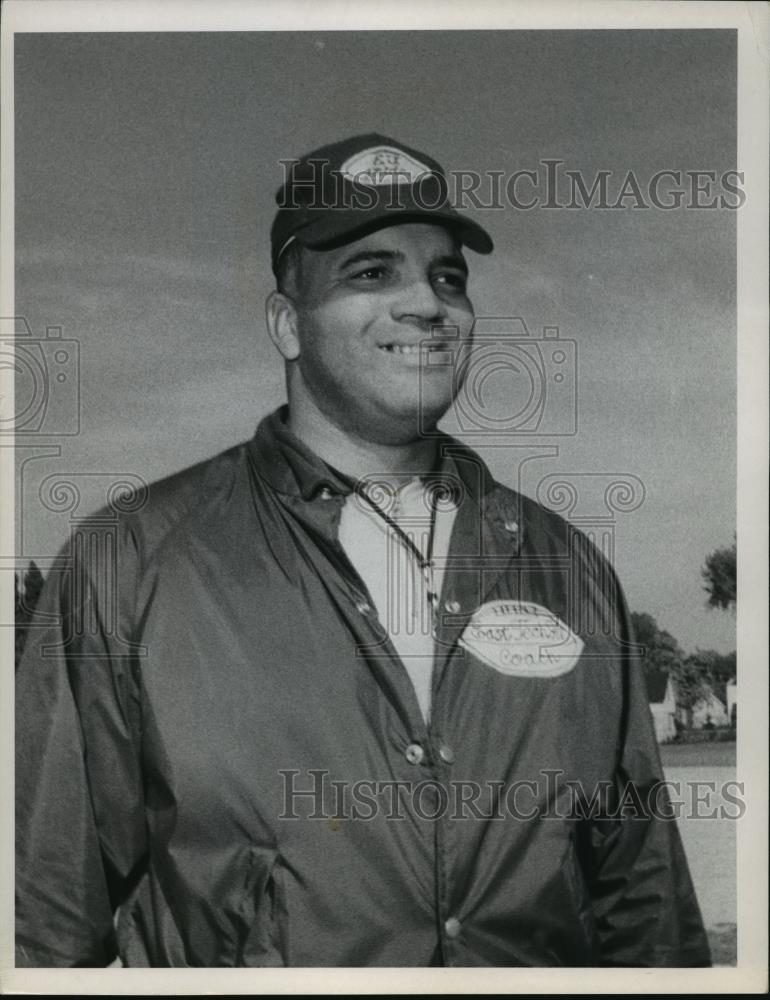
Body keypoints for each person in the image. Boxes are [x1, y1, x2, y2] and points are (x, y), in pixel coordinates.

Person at [15, 133, 711, 968]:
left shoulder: (566, 566)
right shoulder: (129, 560)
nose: (427, 303)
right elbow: (47, 922)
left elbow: (645, 899)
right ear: (287, 324)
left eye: (447, 276)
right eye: (372, 272)